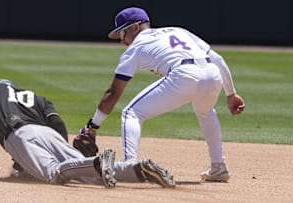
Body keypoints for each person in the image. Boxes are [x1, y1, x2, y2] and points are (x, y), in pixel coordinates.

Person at [83, 7, 245, 182]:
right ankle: (219, 166)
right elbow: (218, 60)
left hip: (184, 74)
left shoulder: (135, 48)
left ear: (135, 27)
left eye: (122, 33)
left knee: (131, 113)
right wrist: (231, 94)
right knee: (206, 112)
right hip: (212, 74)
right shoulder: (177, 30)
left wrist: (93, 126)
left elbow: (113, 93)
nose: (122, 40)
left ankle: (129, 166)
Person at [0, 79, 175, 188]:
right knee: (82, 170)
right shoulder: (36, 97)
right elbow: (57, 122)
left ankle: (98, 162)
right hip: (48, 133)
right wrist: (63, 150)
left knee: (54, 174)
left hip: (19, 135)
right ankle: (139, 170)